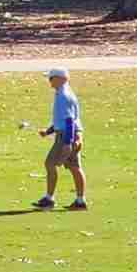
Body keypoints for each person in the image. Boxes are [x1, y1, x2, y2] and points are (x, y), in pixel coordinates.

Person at [36, 66, 87, 211]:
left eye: (51, 78)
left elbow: (69, 120)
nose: (49, 81)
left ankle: (49, 199)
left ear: (60, 79)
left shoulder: (63, 95)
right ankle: (80, 201)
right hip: (71, 134)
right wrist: (48, 131)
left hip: (66, 136)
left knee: (50, 164)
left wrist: (67, 143)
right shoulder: (63, 93)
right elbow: (62, 119)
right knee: (74, 167)